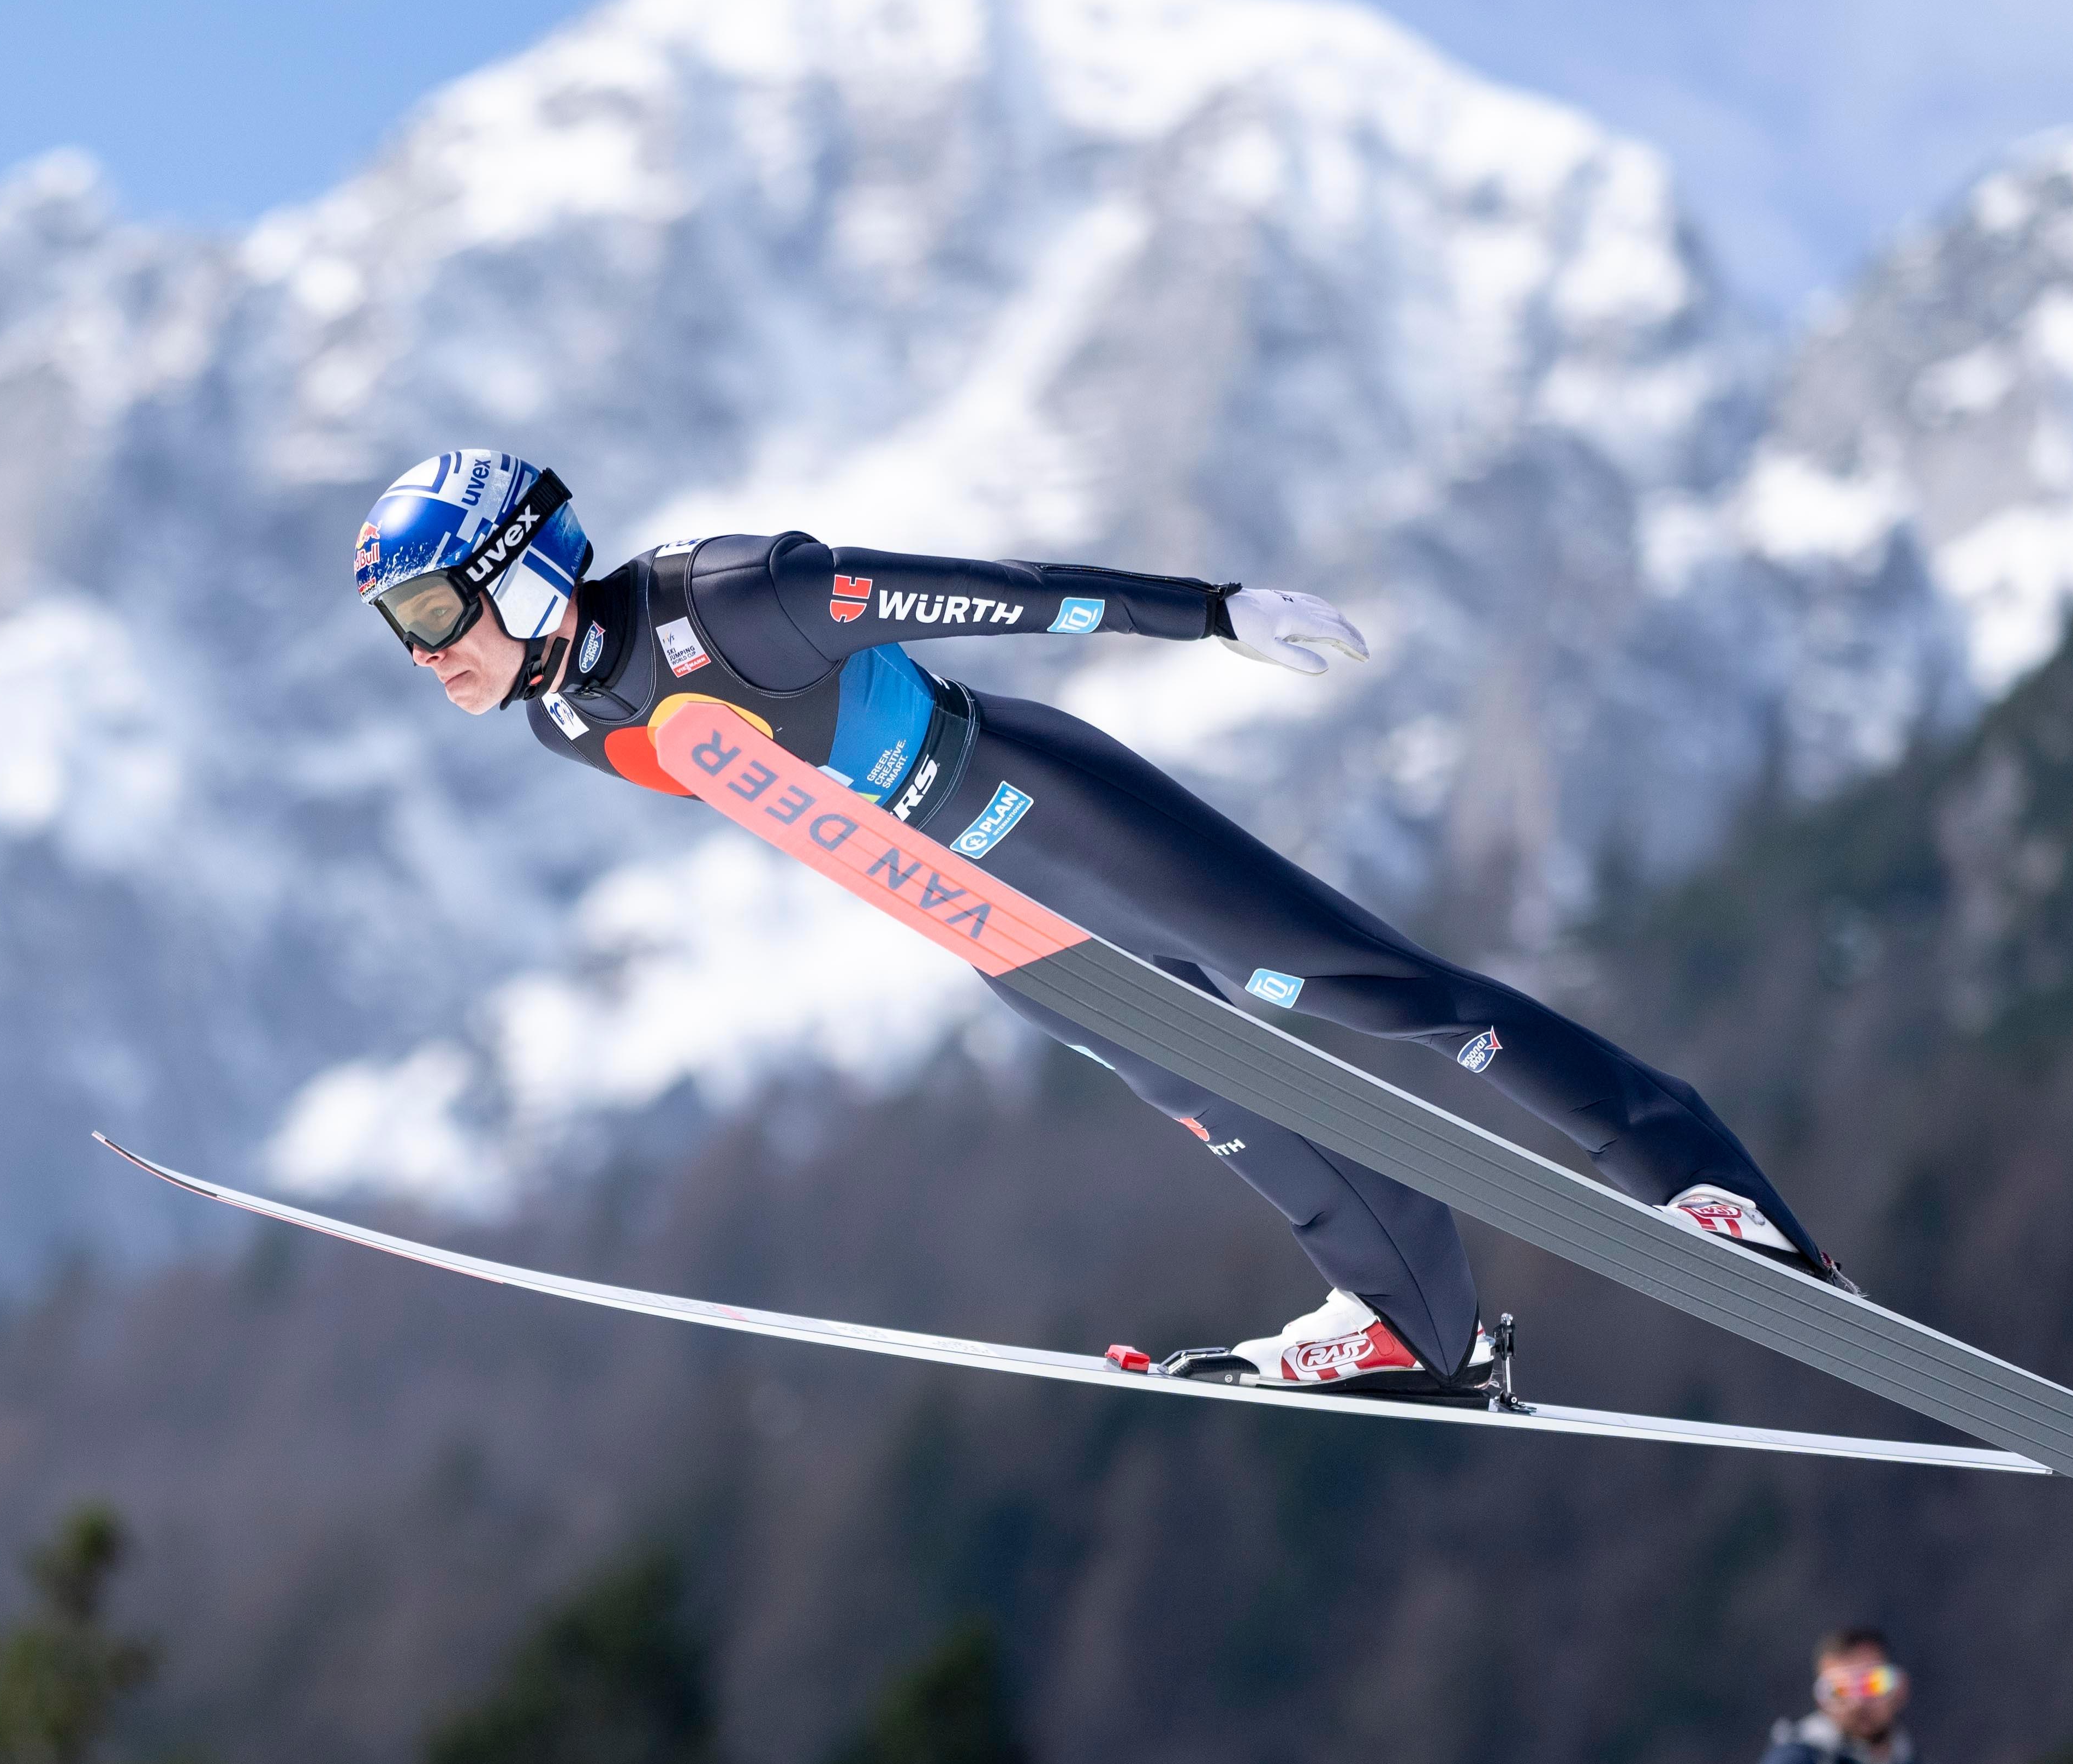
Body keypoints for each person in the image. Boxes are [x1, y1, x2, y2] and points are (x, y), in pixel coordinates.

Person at [355, 449, 1857, 1395]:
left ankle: (1687, 1176)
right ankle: (1410, 1315)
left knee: (1362, 991)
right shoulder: (562, 721)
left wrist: (1205, 611)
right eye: (396, 632)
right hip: (964, 896)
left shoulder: (732, 599)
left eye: (430, 614)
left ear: (523, 565)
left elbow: (994, 596)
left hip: (1037, 801)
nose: (424, 658)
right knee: (1206, 1089)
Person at [1733, 1628, 1949, 1764]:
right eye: (1841, 1689)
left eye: (1873, 1684)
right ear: (1821, 1700)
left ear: (1900, 1688)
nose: (1858, 1702)